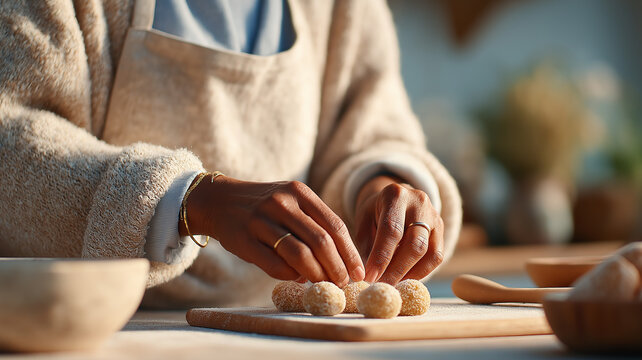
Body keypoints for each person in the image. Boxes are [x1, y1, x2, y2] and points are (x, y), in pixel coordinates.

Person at [0, 0, 462, 308]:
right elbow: (9, 137)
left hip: (289, 336)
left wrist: (380, 186)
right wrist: (190, 200)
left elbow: (370, 125)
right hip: (92, 332)